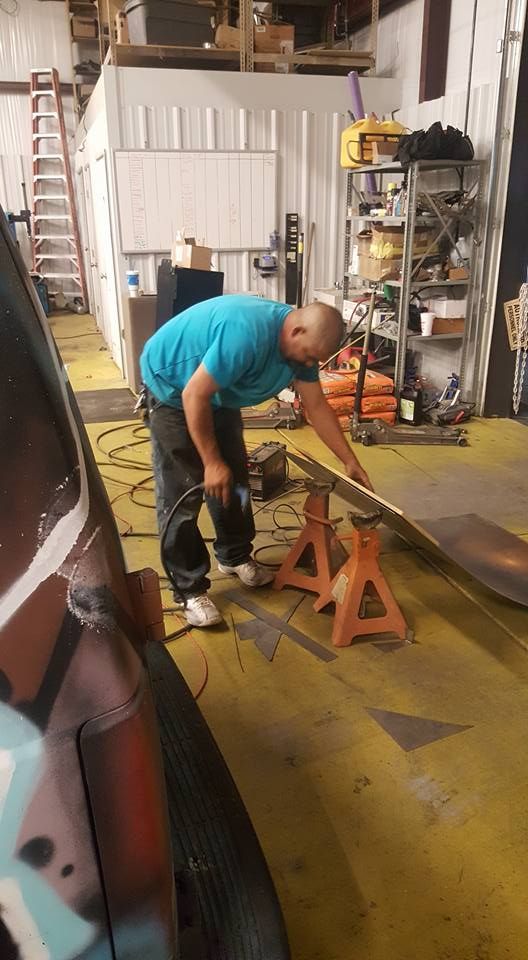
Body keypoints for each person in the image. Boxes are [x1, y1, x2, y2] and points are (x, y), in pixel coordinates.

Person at [140, 295, 371, 628]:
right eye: (309, 356)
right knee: (183, 494)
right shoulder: (246, 333)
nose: (309, 364)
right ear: (296, 330)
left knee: (235, 484)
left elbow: (317, 406)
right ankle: (189, 589)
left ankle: (233, 556)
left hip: (216, 395)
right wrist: (210, 461)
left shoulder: (303, 349)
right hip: (174, 390)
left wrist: (349, 460)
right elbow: (194, 395)